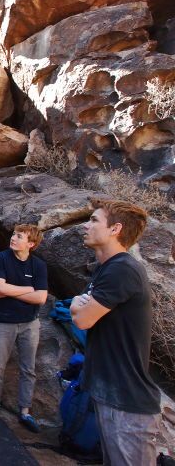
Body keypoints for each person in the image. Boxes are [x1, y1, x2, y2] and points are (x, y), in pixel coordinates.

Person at [71, 198, 161, 466]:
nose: (85, 226)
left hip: (128, 404)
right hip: (112, 397)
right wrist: (79, 305)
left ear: (115, 229)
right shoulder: (106, 269)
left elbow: (83, 319)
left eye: (94, 220)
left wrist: (78, 304)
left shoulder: (122, 269)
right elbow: (79, 310)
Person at [0, 224, 48, 433]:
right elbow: (0, 287)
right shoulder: (1, 258)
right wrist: (28, 289)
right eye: (13, 234)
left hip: (30, 323)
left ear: (31, 244)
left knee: (28, 369)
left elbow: (42, 297)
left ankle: (25, 412)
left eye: (19, 236)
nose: (13, 238)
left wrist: (11, 291)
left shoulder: (38, 265)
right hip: (3, 322)